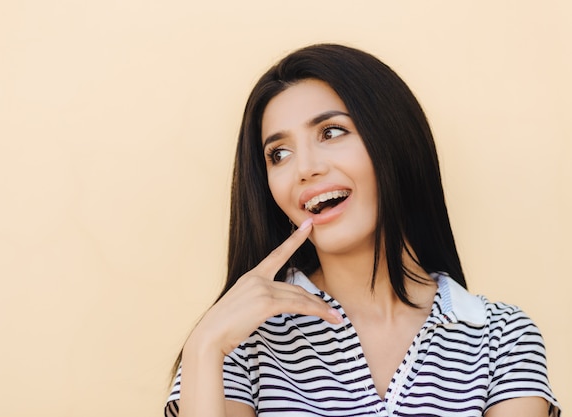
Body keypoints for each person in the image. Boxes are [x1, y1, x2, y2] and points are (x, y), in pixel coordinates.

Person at [164, 44, 560, 417]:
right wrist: (203, 348)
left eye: (331, 132)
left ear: (393, 138)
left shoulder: (502, 336)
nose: (305, 168)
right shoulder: (236, 340)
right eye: (278, 154)